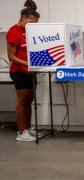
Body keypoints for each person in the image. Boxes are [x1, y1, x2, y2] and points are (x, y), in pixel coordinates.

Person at [6, 0, 40, 142]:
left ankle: (28, 128)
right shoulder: (14, 31)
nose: (34, 27)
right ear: (24, 18)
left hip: (29, 71)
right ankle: (21, 132)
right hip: (19, 71)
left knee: (29, 100)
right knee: (22, 101)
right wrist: (28, 63)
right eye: (32, 23)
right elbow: (11, 56)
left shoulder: (28, 32)